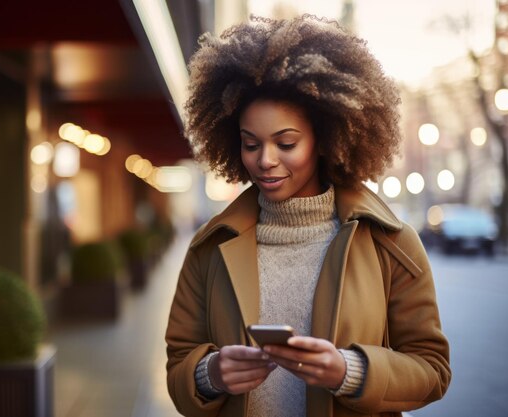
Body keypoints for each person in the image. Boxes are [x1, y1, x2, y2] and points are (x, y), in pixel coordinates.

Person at [165, 15, 451, 417]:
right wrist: (209, 374)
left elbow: (432, 369)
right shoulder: (210, 247)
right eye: (250, 144)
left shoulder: (391, 243)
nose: (265, 161)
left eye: (285, 143)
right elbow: (179, 363)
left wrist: (349, 372)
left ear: (324, 138)